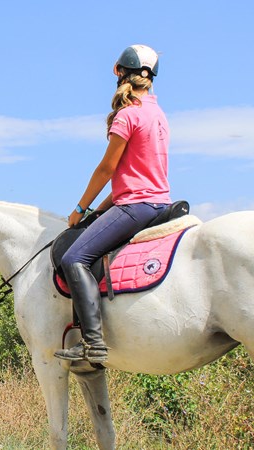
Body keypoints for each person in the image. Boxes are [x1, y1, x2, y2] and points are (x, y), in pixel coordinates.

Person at [54, 44, 171, 364]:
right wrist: (101, 210)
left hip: (136, 207)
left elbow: (107, 169)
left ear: (120, 74)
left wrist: (80, 209)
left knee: (74, 258)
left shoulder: (128, 115)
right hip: (159, 203)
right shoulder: (158, 115)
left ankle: (92, 342)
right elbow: (134, 175)